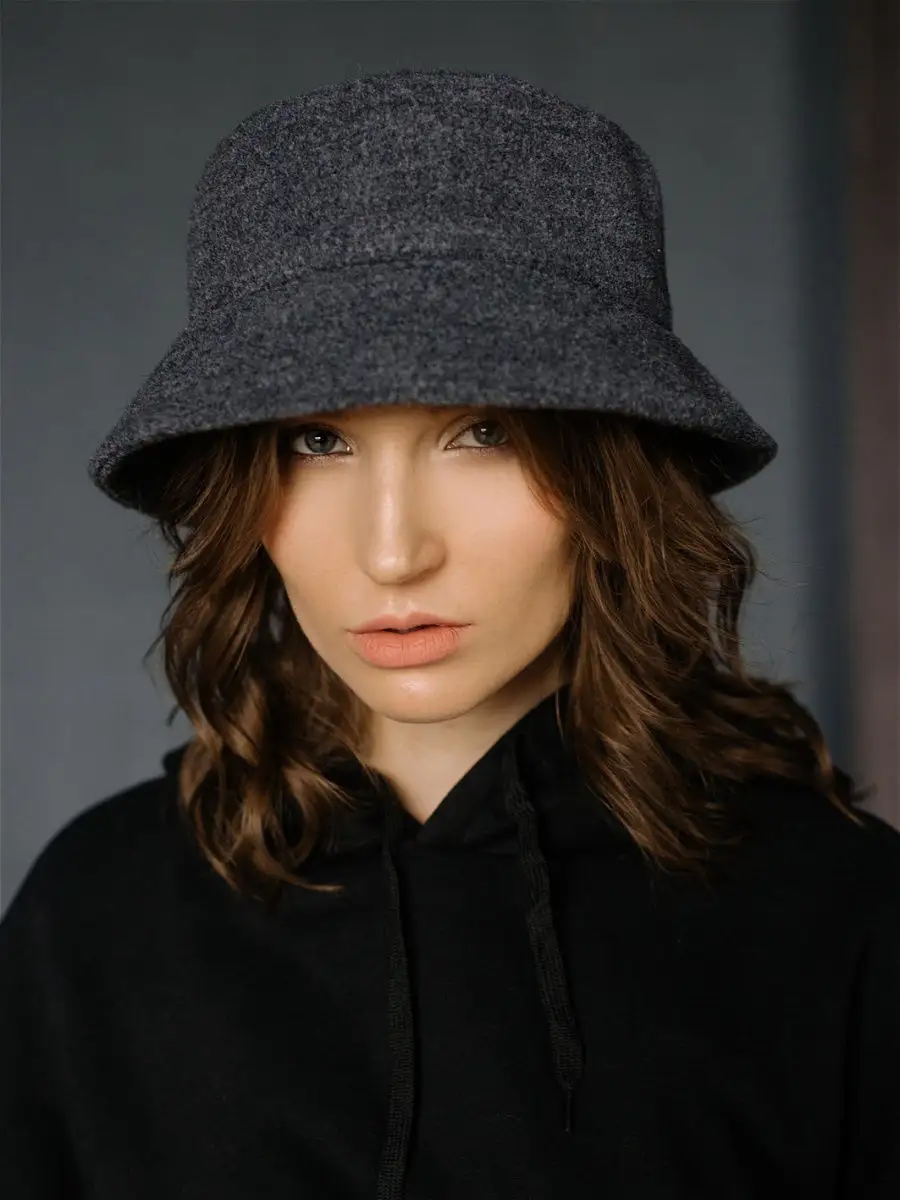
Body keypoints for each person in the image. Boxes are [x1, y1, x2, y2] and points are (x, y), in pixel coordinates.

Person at [1, 67, 898, 1200]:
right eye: (316, 442)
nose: (393, 552)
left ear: (615, 472)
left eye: (484, 433)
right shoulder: (98, 917)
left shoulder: (841, 922)